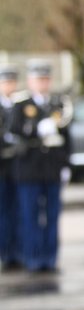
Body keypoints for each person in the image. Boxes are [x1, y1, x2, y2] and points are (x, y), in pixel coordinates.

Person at [10, 59, 72, 273]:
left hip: (52, 169)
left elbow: (66, 138)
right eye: (38, 79)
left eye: (45, 79)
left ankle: (50, 257)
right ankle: (33, 257)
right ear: (30, 81)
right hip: (29, 170)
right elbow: (15, 132)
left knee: (53, 215)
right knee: (30, 215)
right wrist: (37, 128)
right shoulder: (21, 105)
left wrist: (66, 165)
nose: (42, 83)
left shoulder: (57, 104)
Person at [0, 63, 21, 271]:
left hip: (18, 166)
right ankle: (5, 253)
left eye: (12, 82)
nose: (9, 86)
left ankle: (17, 251)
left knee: (18, 211)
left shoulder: (20, 105)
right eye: (5, 82)